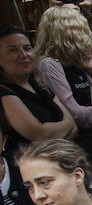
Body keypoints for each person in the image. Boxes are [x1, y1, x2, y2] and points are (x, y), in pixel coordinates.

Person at [33, 7, 92, 164]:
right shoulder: (49, 65)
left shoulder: (77, 62)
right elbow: (75, 114)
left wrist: (90, 70)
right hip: (79, 148)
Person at [0, 26, 77, 161]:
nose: (23, 55)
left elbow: (74, 127)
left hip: (64, 161)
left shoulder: (40, 86)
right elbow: (39, 134)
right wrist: (66, 126)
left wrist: (57, 131)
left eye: (27, 48)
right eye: (13, 50)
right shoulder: (4, 93)